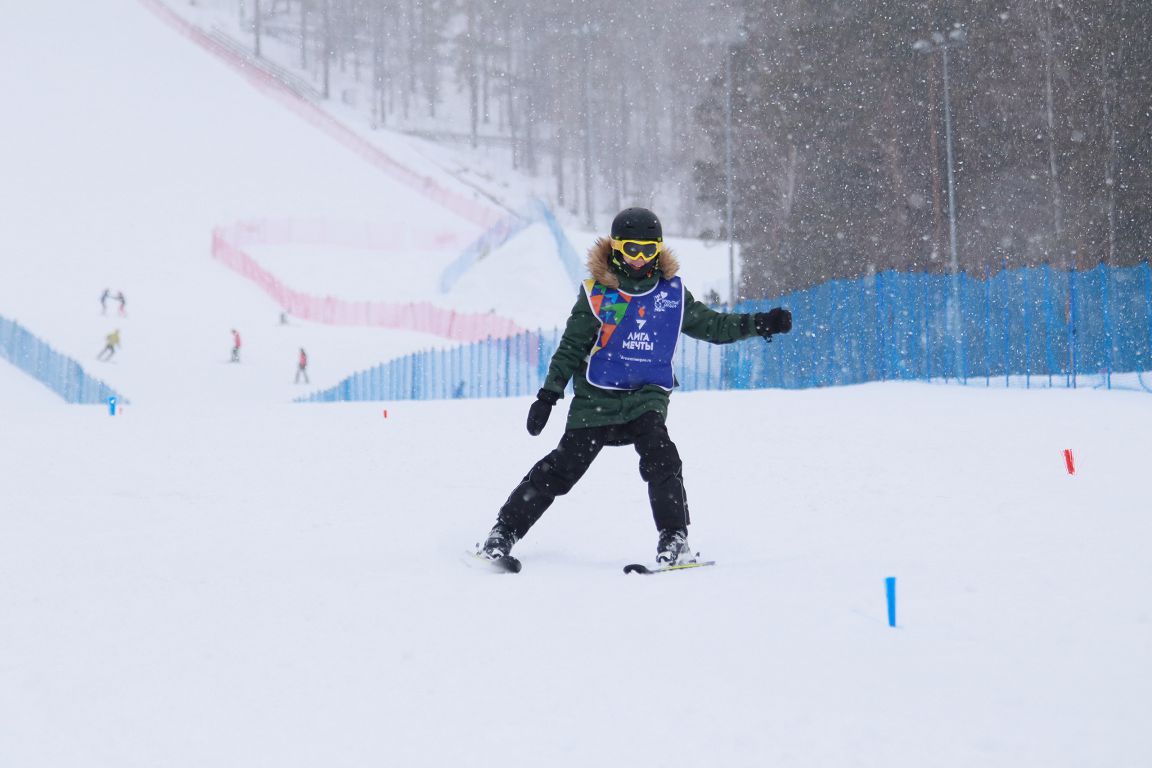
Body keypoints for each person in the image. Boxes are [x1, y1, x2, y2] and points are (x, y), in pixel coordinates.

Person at [478, 207, 792, 566]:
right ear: (616, 249)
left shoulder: (671, 295)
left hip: (646, 397)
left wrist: (760, 323)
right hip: (597, 399)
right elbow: (571, 347)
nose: (640, 259)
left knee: (662, 457)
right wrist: (548, 395)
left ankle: (674, 538)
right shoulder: (600, 294)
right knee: (562, 468)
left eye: (648, 250)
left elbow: (714, 326)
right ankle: (504, 531)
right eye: (631, 249)